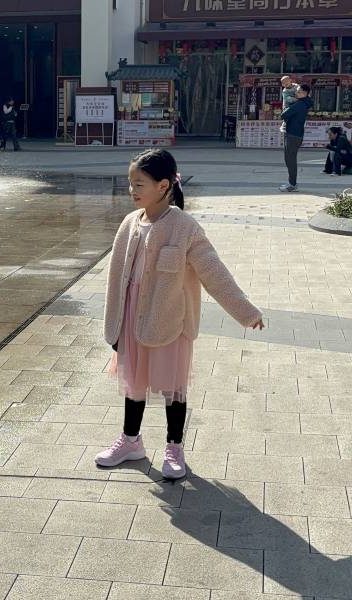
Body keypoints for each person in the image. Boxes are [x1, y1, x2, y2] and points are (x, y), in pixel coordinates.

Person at [98, 149, 264, 478]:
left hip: (169, 319)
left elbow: (214, 272)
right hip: (132, 317)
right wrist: (114, 323)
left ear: (163, 185)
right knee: (134, 382)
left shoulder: (185, 228)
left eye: (139, 184)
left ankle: (174, 447)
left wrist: (246, 311)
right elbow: (115, 278)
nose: (132, 190)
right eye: (130, 183)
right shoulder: (130, 223)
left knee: (174, 388)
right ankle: (131, 441)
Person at [280, 83, 312, 193]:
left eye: (298, 92)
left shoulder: (300, 104)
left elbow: (283, 115)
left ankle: (292, 184)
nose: (296, 93)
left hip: (293, 135)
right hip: (295, 134)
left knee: (290, 160)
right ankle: (292, 183)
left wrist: (287, 108)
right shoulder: (303, 103)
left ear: (305, 93)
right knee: (289, 159)